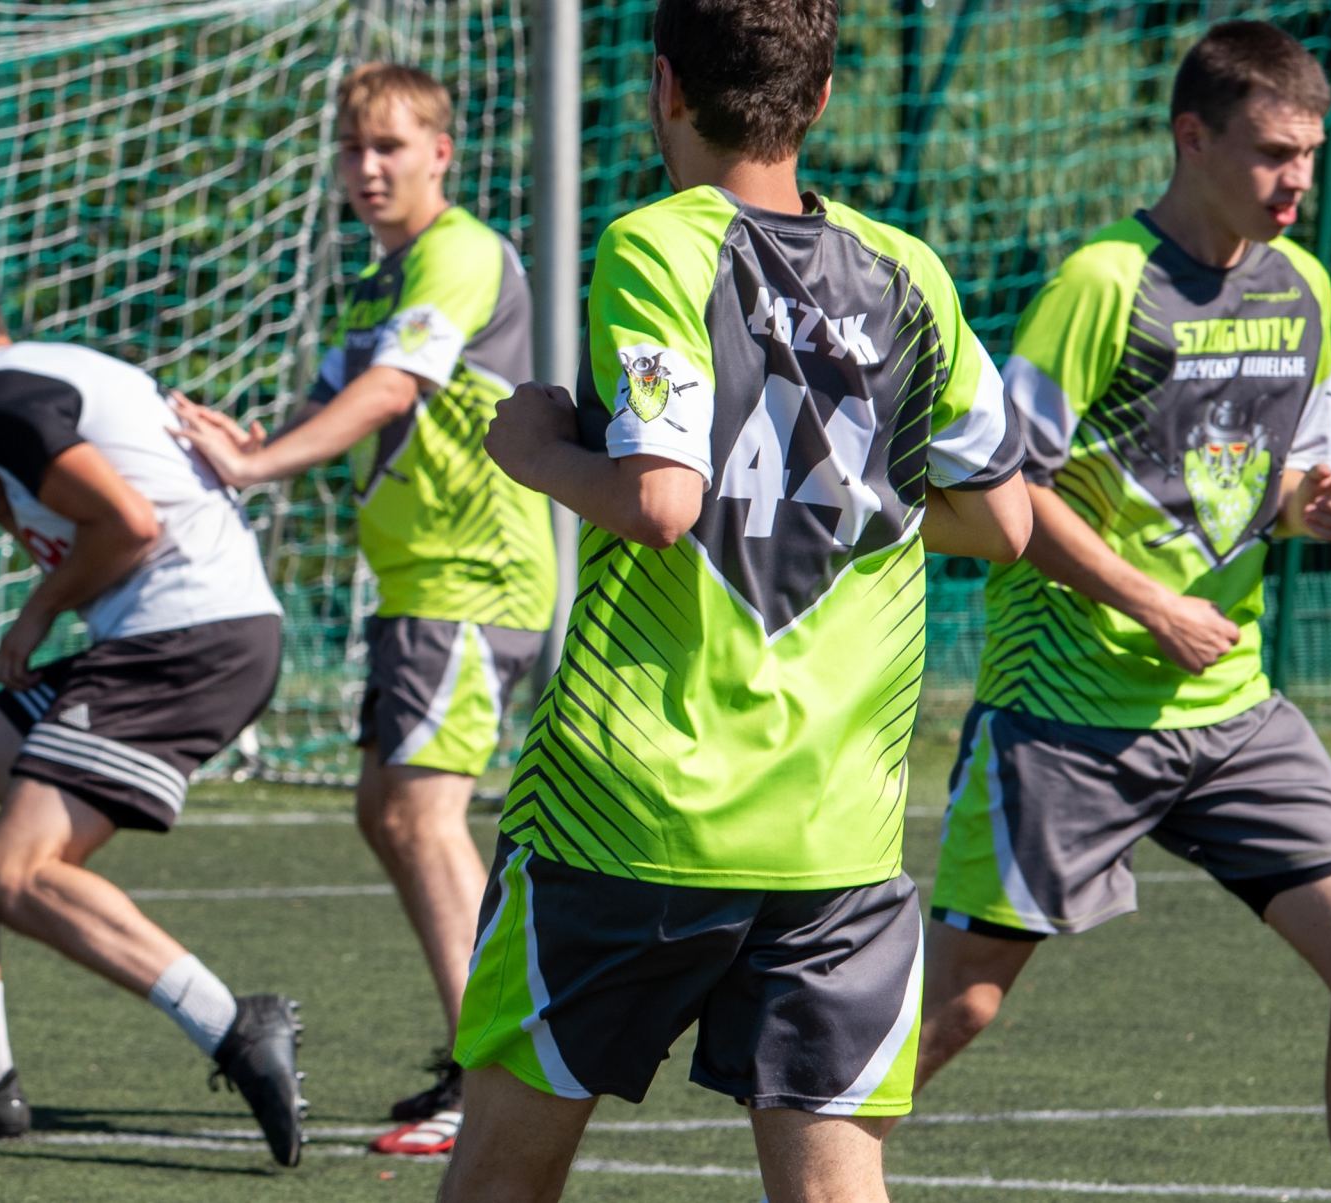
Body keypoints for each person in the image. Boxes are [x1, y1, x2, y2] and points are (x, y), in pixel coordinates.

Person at [440, 0, 1034, 1197]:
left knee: (504, 1175)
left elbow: (659, 501)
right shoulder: (905, 270)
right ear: (816, 100)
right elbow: (1006, 521)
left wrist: (532, 452)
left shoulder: (657, 244)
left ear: (661, 85)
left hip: (633, 808)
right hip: (833, 826)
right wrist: (864, 494)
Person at [919, 21, 1331, 1201]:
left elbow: (1274, 488)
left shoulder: (1303, 287)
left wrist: (1312, 507)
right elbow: (1002, 493)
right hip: (1064, 716)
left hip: (1230, 709)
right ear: (1190, 138)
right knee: (954, 1012)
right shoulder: (1101, 285)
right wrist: (1148, 601)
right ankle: (808, 1159)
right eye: (1270, 153)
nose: (1296, 179)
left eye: (1308, 153)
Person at [0, 253, 309, 1166]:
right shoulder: (58, 370)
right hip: (178, 633)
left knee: (15, 873)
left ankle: (236, 1024)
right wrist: (10, 523)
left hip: (184, 642)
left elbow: (130, 526)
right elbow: (115, 529)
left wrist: (34, 613)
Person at [173, 62, 550, 1158]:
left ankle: (494, 1073)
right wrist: (232, 447)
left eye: (390, 146)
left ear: (441, 152)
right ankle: (478, 1049)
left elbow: (389, 392)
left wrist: (254, 470)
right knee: (388, 812)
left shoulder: (458, 252)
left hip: (472, 578)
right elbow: (330, 395)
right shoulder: (372, 282)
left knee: (423, 817)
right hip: (418, 584)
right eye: (352, 150)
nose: (368, 168)